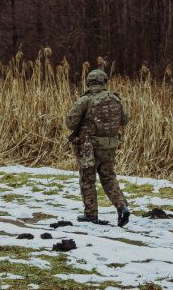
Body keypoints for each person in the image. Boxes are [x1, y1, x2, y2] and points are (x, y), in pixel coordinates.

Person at [65, 69, 132, 227]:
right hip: (109, 145)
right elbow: (125, 120)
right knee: (108, 177)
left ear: (89, 82)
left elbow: (70, 123)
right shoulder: (115, 99)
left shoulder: (85, 100)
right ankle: (122, 206)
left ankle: (91, 214)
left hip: (89, 147)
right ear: (104, 82)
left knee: (87, 179)